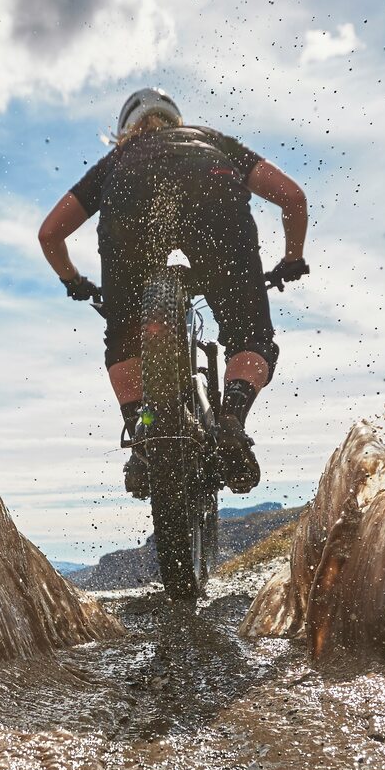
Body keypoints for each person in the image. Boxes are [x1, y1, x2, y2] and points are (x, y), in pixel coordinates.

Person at [37, 87, 309, 497]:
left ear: (124, 129)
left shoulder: (117, 160)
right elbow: (292, 196)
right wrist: (292, 257)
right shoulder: (210, 139)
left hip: (130, 204)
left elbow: (49, 234)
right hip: (214, 196)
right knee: (249, 332)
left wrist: (73, 281)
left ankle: (144, 438)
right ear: (175, 118)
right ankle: (232, 421)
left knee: (125, 340)